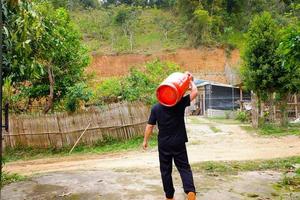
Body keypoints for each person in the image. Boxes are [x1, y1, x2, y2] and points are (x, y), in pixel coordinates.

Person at [142, 74, 198, 200]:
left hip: (164, 144)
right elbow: (195, 92)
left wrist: (145, 140)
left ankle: (169, 196)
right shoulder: (179, 103)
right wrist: (190, 81)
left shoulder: (156, 108)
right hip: (179, 142)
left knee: (165, 171)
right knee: (184, 167)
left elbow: (150, 126)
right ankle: (190, 192)